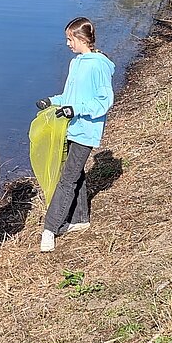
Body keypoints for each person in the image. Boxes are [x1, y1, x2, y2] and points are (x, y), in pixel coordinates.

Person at [35, 17, 115, 252]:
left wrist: (77, 110)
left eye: (70, 39)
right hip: (70, 127)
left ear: (81, 39)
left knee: (67, 178)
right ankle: (80, 219)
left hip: (85, 131)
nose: (67, 44)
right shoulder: (76, 62)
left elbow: (104, 101)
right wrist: (52, 101)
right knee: (75, 172)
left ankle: (50, 228)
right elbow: (70, 97)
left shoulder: (98, 64)